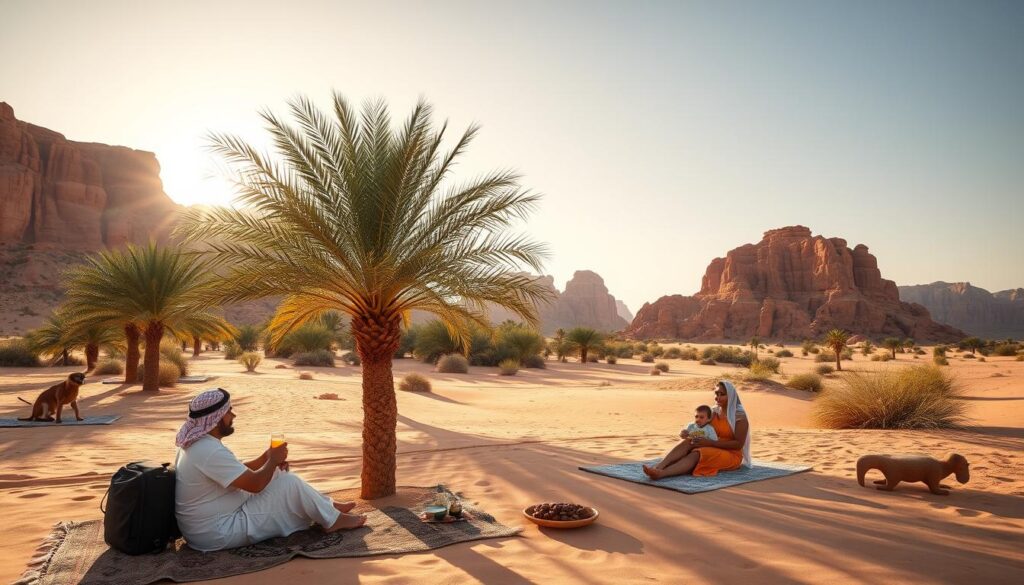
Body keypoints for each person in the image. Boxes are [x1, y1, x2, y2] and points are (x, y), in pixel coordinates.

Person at [174, 388, 366, 552]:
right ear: (214, 419)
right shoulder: (208, 450)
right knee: (289, 484)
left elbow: (238, 472)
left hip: (210, 522)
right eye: (229, 411)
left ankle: (328, 506)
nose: (233, 416)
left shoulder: (199, 444)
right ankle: (332, 520)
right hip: (216, 531)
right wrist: (273, 460)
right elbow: (255, 485)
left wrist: (266, 458)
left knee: (278, 475)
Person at [643, 381, 750, 479]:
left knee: (699, 452)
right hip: (711, 444)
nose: (718, 397)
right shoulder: (713, 412)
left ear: (731, 396)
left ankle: (661, 474)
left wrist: (711, 443)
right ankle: (659, 466)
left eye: (722, 394)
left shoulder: (739, 417)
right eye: (716, 394)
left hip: (731, 454)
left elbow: (738, 444)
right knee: (689, 441)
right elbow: (697, 427)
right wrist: (686, 432)